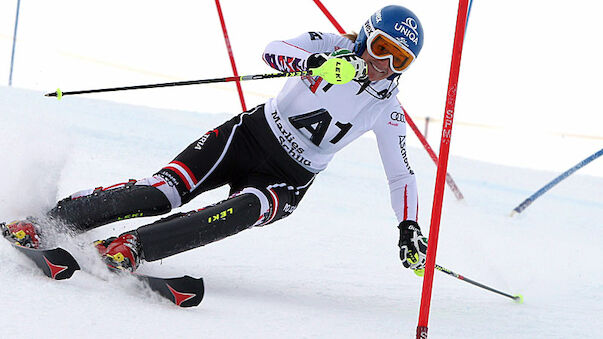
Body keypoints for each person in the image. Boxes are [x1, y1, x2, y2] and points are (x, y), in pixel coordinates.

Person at [2, 5, 428, 276]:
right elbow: (272, 50)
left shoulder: (386, 108)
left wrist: (408, 226)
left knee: (245, 209)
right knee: (162, 192)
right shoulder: (329, 45)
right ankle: (48, 222)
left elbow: (400, 175)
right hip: (249, 136)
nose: (383, 64)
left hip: (289, 179)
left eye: (399, 60)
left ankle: (134, 246)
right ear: (364, 36)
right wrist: (313, 63)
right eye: (381, 48)